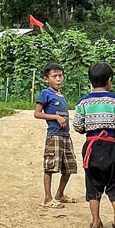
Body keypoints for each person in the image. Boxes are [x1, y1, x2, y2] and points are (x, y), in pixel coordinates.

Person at [72, 62, 115, 228]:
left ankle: (96, 222)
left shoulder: (82, 102)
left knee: (93, 184)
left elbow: (77, 126)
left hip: (90, 148)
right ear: (110, 81)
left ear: (90, 81)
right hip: (109, 147)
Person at [34, 62, 77, 208]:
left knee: (69, 166)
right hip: (54, 135)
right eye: (54, 76)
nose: (58, 79)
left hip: (65, 136)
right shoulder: (46, 93)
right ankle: (47, 198)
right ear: (47, 79)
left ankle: (60, 194)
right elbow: (37, 113)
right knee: (50, 167)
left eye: (60, 76)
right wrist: (56, 118)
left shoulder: (61, 95)